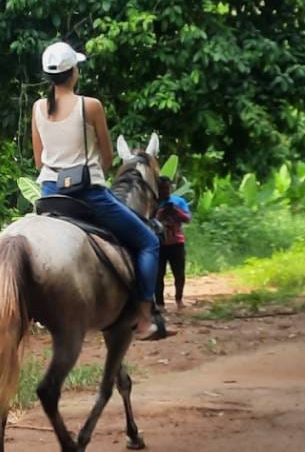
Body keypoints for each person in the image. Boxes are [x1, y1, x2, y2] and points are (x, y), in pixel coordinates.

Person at [32, 41, 167, 341]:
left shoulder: (38, 107)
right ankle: (145, 318)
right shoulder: (90, 106)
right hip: (88, 194)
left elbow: (39, 160)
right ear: (74, 73)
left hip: (50, 194)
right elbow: (106, 159)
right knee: (148, 241)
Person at [155, 177, 191, 307]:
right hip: (159, 243)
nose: (165, 191)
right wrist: (161, 213)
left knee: (179, 274)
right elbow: (149, 221)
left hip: (177, 242)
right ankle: (160, 303)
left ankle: (179, 299)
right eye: (162, 189)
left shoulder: (179, 201)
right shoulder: (152, 203)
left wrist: (176, 211)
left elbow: (187, 219)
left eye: (167, 188)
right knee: (158, 275)